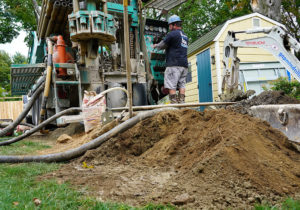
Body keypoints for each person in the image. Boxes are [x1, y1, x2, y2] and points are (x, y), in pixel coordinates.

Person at [153, 15, 188, 104]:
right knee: (182, 85)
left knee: (171, 85)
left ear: (174, 25)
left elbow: (161, 45)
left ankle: (174, 105)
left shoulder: (172, 34)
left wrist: (155, 45)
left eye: (170, 25)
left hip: (174, 65)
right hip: (184, 65)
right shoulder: (185, 36)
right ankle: (182, 104)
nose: (169, 27)